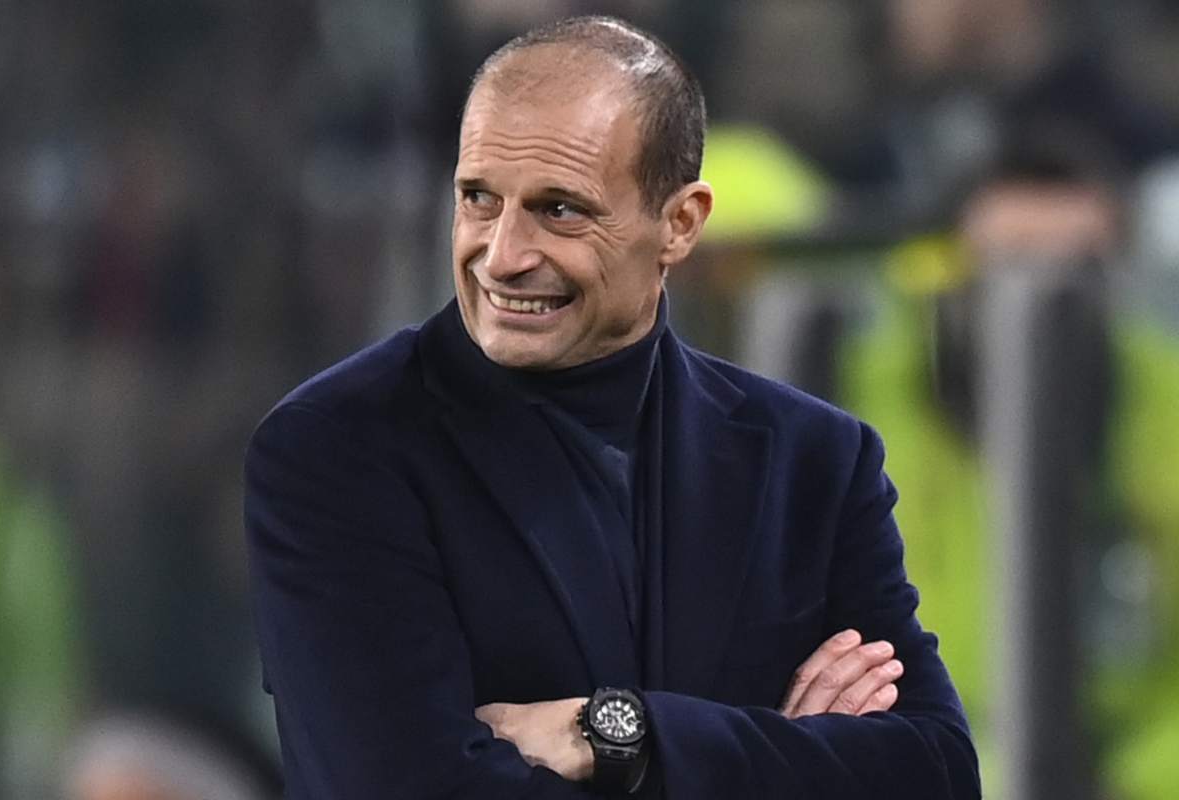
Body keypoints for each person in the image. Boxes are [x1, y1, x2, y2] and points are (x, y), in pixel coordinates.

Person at [244, 15, 979, 799]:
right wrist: (780, 758)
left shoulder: (814, 462)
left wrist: (617, 733)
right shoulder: (338, 449)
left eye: (560, 209)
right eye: (479, 199)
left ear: (680, 224)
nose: (502, 255)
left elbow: (934, 771)